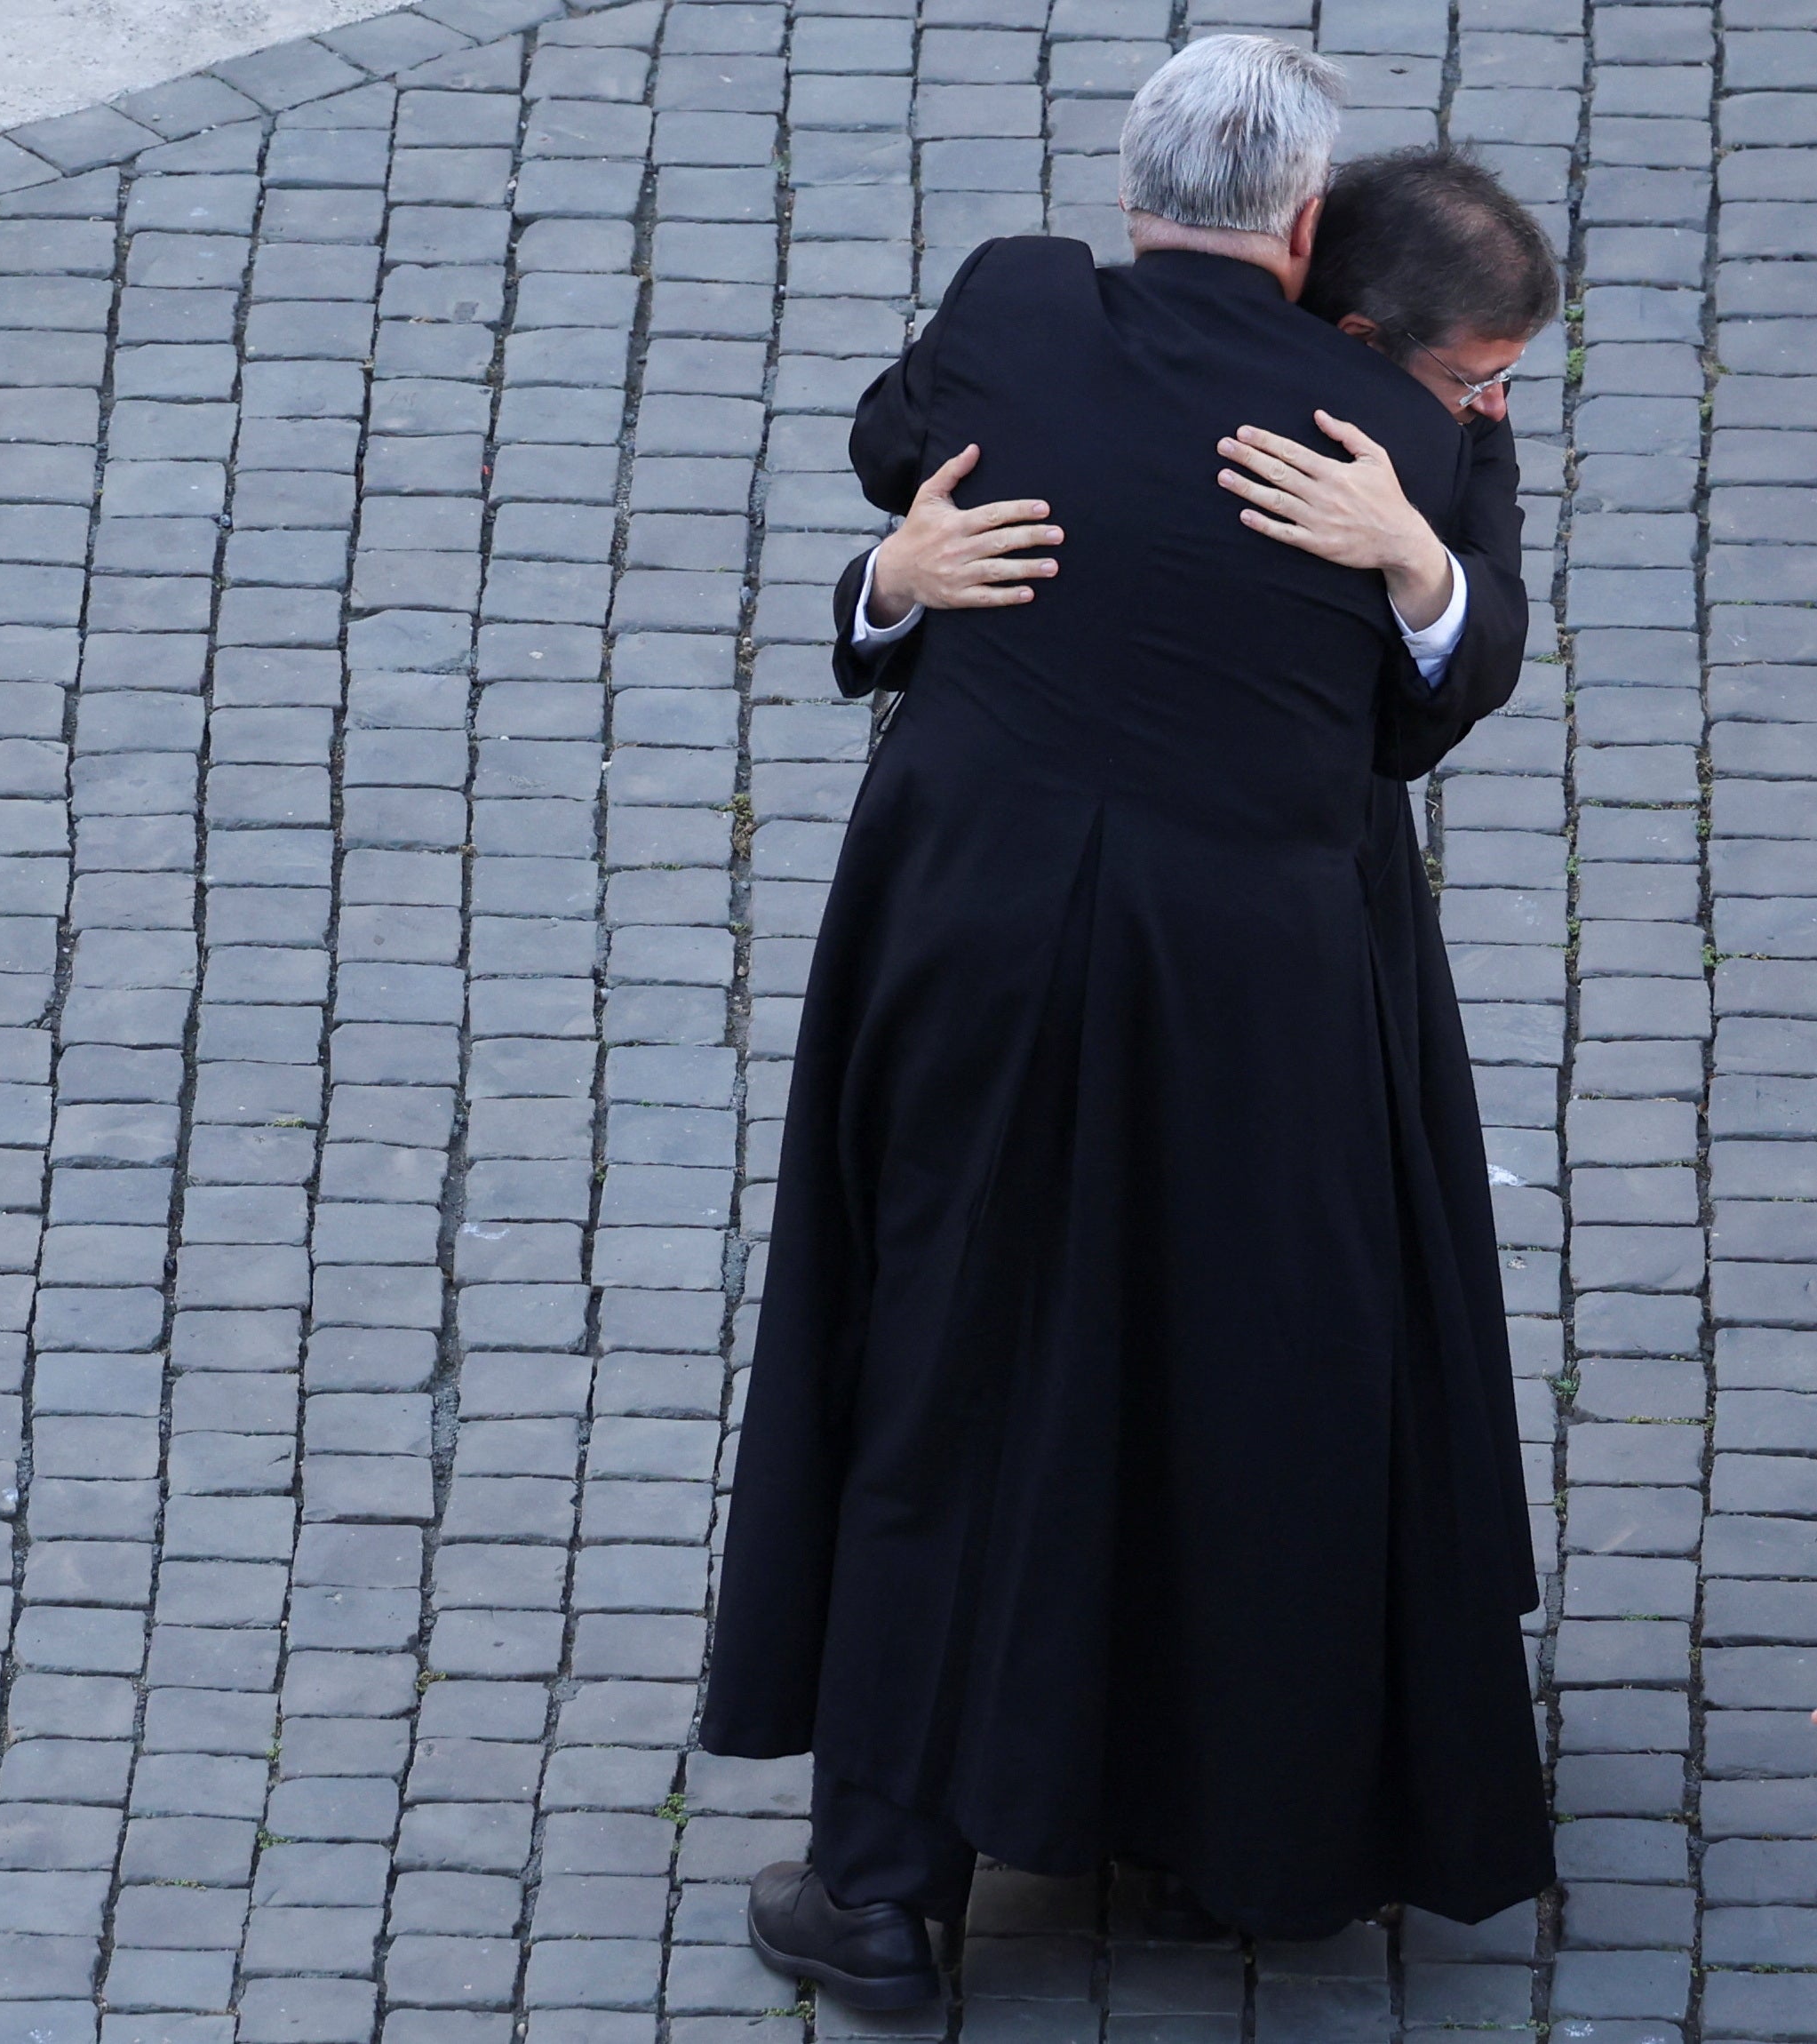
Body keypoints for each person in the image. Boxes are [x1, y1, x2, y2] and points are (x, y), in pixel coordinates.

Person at [700, 39, 1565, 2007]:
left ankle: (880, 1887)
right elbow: (1420, 712)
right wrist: (1418, 557)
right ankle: (1226, 1835)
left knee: (936, 1356)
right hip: (1253, 982)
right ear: (1306, 226)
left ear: (1130, 189)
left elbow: (892, 445)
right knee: (1244, 1364)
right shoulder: (1394, 439)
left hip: (970, 940)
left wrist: (894, 581)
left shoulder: (1009, 311)